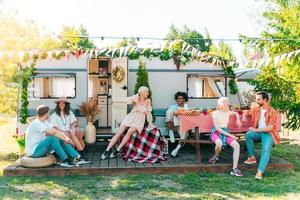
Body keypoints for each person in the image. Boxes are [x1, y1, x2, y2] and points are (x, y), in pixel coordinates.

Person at [101, 86, 154, 159]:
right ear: (142, 92)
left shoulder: (148, 100)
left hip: (139, 120)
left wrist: (150, 122)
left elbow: (149, 112)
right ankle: (106, 150)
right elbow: (125, 101)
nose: (148, 93)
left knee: (129, 131)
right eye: (146, 92)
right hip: (131, 117)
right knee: (119, 133)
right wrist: (133, 98)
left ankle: (117, 150)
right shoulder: (136, 98)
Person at [243, 92, 279, 180]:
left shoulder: (272, 111)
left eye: (259, 99)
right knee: (248, 135)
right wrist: (244, 116)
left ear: (265, 100)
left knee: (265, 151)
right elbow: (246, 112)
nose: (256, 101)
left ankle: (259, 172)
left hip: (268, 133)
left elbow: (270, 127)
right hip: (258, 133)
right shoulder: (256, 109)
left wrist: (255, 130)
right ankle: (252, 157)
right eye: (256, 99)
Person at [208, 97, 244, 177]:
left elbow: (236, 113)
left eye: (228, 103)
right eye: (225, 103)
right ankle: (216, 155)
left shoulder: (228, 112)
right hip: (216, 132)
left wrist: (238, 119)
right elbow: (217, 128)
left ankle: (235, 169)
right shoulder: (215, 113)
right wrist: (230, 135)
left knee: (237, 145)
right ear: (220, 104)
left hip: (225, 132)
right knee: (219, 143)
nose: (227, 104)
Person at [165, 92, 190, 157]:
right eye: (178, 98)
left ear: (184, 100)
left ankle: (176, 149)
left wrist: (184, 111)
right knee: (169, 112)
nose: (179, 100)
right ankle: (170, 132)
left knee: (185, 133)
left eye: (181, 98)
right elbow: (169, 115)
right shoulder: (173, 106)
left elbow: (188, 116)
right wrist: (176, 112)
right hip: (173, 125)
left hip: (182, 126)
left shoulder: (186, 107)